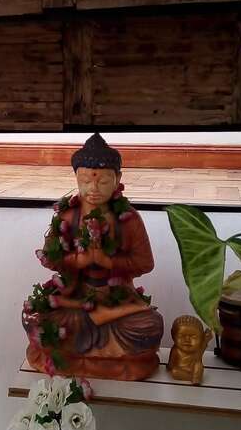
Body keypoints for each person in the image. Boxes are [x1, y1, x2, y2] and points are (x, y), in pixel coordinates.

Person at [22, 133, 164, 381]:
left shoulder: (128, 219)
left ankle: (91, 356)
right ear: (76, 178)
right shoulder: (67, 216)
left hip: (116, 302)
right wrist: (77, 262)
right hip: (74, 298)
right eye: (86, 181)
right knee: (37, 321)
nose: (93, 189)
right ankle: (99, 358)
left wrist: (109, 262)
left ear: (118, 179)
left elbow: (145, 263)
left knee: (149, 327)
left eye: (103, 182)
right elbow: (50, 257)